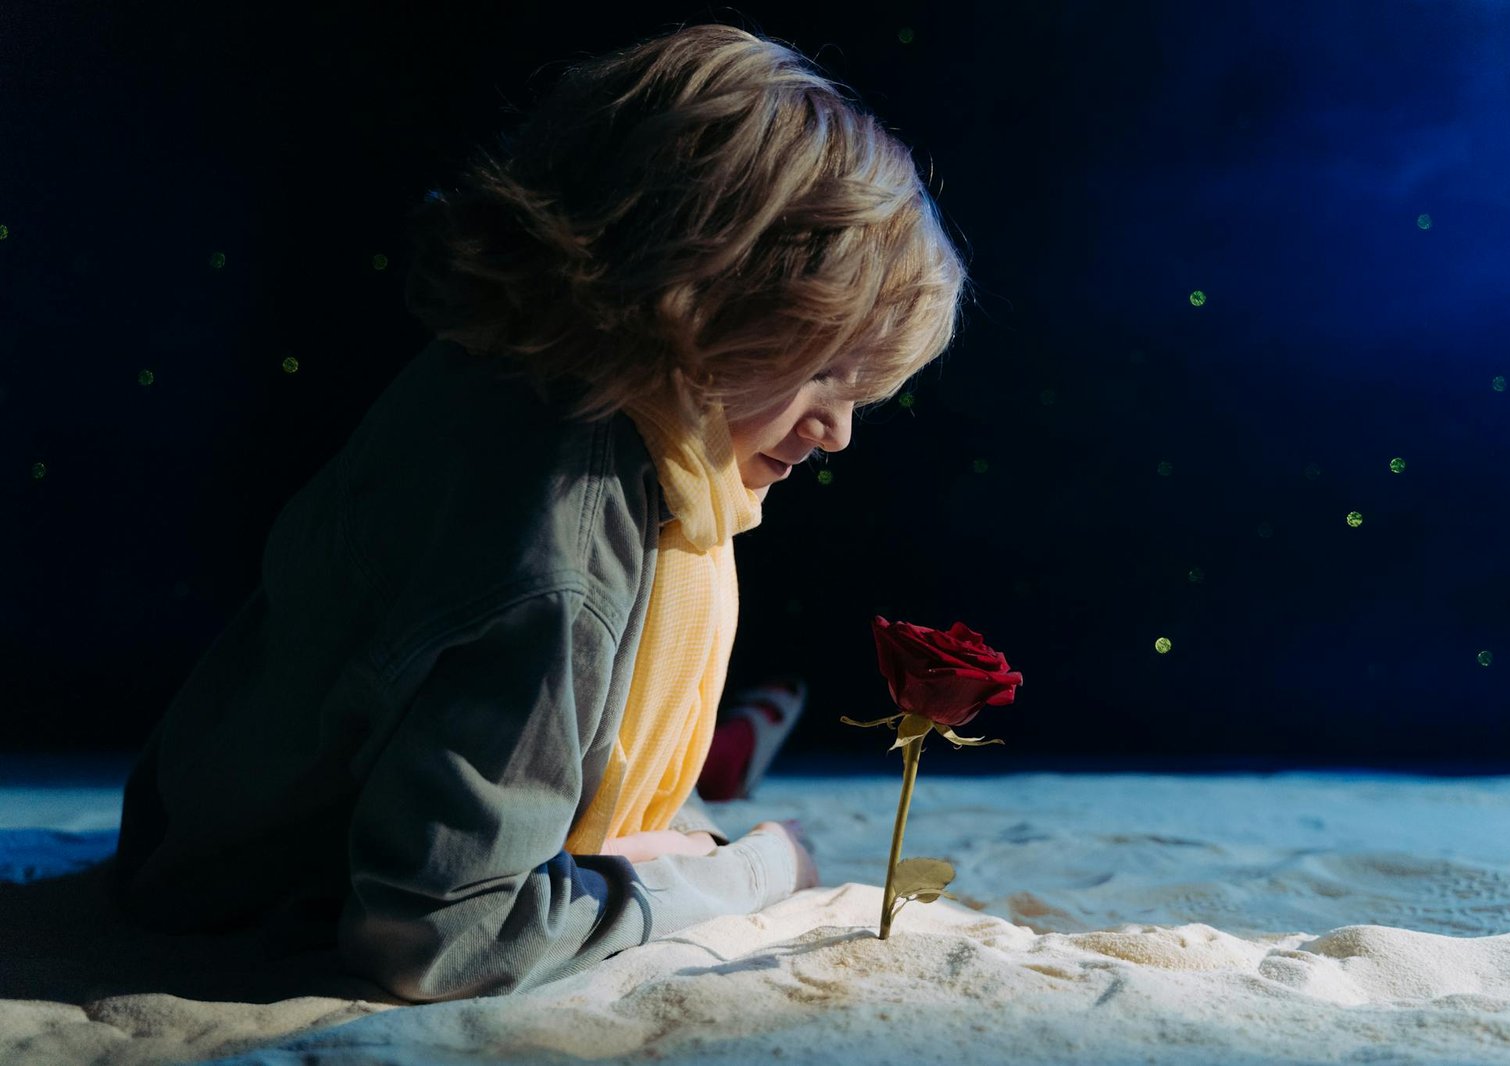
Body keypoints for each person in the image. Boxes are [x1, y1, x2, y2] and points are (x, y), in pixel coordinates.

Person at [110, 21, 967, 1001]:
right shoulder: (561, 539)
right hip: (232, 895)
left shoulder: (511, 381)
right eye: (822, 368)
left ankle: (704, 773)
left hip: (185, 816)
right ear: (691, 298)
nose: (838, 433)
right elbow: (443, 935)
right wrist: (754, 873)